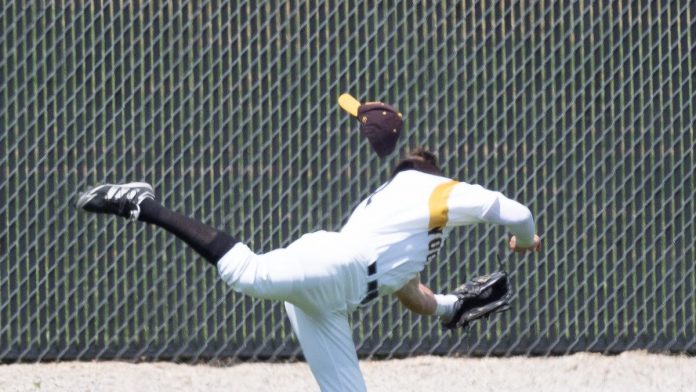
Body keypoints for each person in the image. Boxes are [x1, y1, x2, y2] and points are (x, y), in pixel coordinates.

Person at [75, 101, 541, 391]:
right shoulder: (433, 190)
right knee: (246, 274)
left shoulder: (406, 224)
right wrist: (524, 242)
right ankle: (142, 203)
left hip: (334, 296)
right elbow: (517, 213)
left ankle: (142, 202)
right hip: (340, 269)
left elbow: (409, 291)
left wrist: (449, 306)